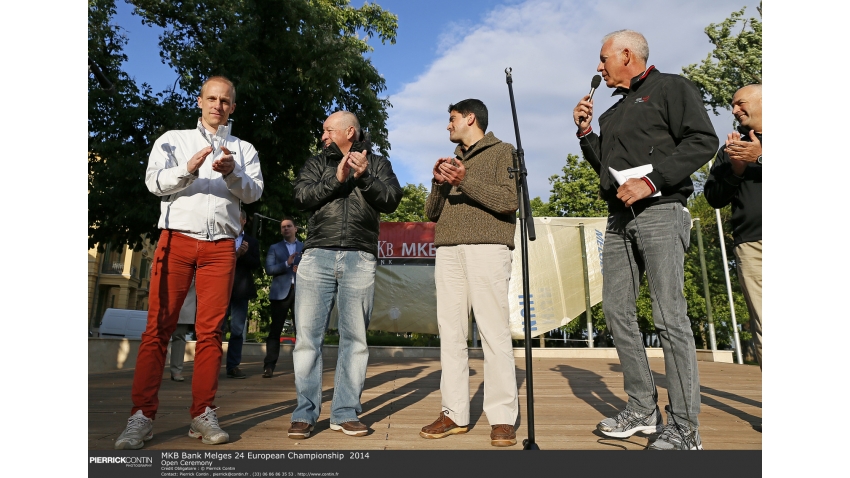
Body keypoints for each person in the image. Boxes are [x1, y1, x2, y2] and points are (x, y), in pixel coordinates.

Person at [572, 30, 718, 450]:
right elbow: (607, 171)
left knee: (669, 316)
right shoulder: (611, 114)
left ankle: (685, 427)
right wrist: (585, 134)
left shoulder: (671, 87)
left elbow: (702, 141)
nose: (599, 67)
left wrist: (652, 182)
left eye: (603, 58)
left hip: (660, 210)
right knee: (617, 311)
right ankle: (642, 408)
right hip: (619, 218)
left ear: (626, 54)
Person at [114, 76, 264, 450]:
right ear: (199, 101)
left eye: (225, 100)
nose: (218, 105)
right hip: (177, 239)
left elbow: (254, 193)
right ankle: (142, 417)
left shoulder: (243, 149)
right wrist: (188, 169)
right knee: (157, 329)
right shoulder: (173, 139)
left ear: (233, 106)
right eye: (211, 98)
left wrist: (233, 172)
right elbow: (154, 182)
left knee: (211, 332)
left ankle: (203, 413)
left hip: (220, 246)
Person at [287, 111, 402, 439]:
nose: (322, 135)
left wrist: (365, 177)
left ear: (349, 131)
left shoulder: (377, 163)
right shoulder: (316, 163)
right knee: (308, 339)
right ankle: (304, 414)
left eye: (327, 129)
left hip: (360, 257)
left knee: (355, 340)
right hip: (316, 255)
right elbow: (300, 197)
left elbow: (392, 200)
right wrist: (335, 179)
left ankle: (345, 413)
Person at [420, 99, 520, 447]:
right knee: (451, 335)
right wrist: (438, 182)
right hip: (448, 250)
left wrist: (465, 180)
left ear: (470, 118)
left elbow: (510, 201)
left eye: (452, 119)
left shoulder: (503, 151)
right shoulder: (452, 161)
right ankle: (454, 414)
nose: (448, 126)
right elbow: (432, 212)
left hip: (487, 248)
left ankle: (503, 419)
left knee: (493, 334)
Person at [704, 84, 762, 369]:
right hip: (752, 246)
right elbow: (714, 197)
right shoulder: (731, 147)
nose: (734, 110)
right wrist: (736, 170)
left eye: (740, 103)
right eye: (732, 105)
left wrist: (760, 158)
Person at [262, 217, 304, 378]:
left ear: (295, 229)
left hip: (300, 292)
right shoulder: (275, 248)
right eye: (283, 227)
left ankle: (302, 367)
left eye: (289, 226)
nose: (286, 229)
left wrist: (301, 268)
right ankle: (269, 366)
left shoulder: (304, 247)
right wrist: (286, 264)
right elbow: (269, 269)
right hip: (280, 294)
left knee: (301, 331)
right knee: (275, 331)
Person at [223, 210, 261, 379]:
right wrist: (236, 254)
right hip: (221, 289)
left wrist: (243, 256)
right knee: (216, 329)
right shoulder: (224, 239)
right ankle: (210, 365)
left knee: (237, 330)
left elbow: (256, 264)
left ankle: (233, 366)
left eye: (237, 219)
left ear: (244, 221)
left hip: (241, 290)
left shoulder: (251, 242)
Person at [170, 277, 197, 382]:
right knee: (159, 337)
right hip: (166, 298)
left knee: (179, 336)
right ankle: (154, 371)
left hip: (184, 302)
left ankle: (176, 370)